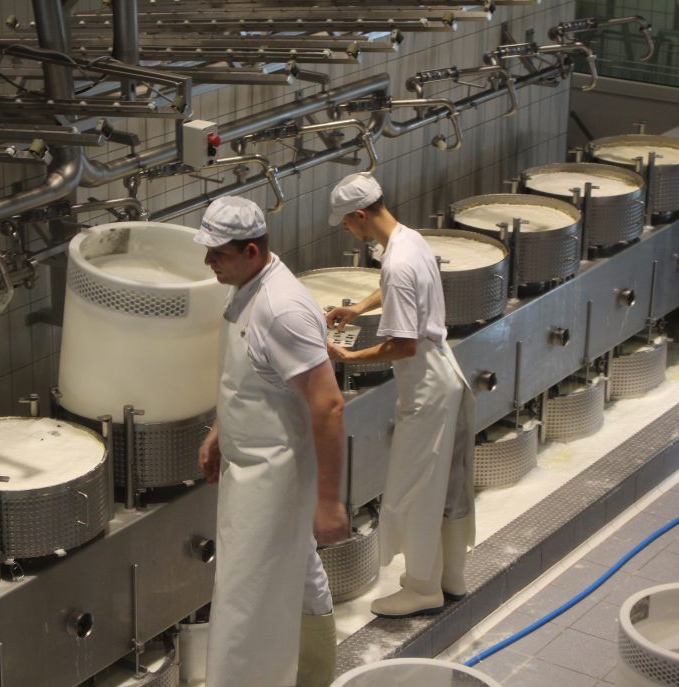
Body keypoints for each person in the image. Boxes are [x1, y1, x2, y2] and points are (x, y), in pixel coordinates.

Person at [195, 196, 349, 687]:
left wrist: (328, 501)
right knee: (296, 580)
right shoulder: (246, 288)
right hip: (250, 465)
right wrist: (223, 429)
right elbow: (257, 378)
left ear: (253, 251)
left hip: (275, 477)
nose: (208, 262)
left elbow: (327, 404)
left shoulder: (282, 309)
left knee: (246, 598)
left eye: (217, 253)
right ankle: (312, 677)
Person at [324, 172, 475, 618]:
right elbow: (395, 291)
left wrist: (349, 359)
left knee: (415, 489)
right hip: (445, 372)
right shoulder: (410, 240)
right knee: (447, 483)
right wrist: (359, 308)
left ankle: (423, 588)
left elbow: (402, 345)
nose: (347, 231)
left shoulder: (397, 263)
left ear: (359, 214)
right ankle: (452, 578)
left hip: (426, 384)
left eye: (347, 224)